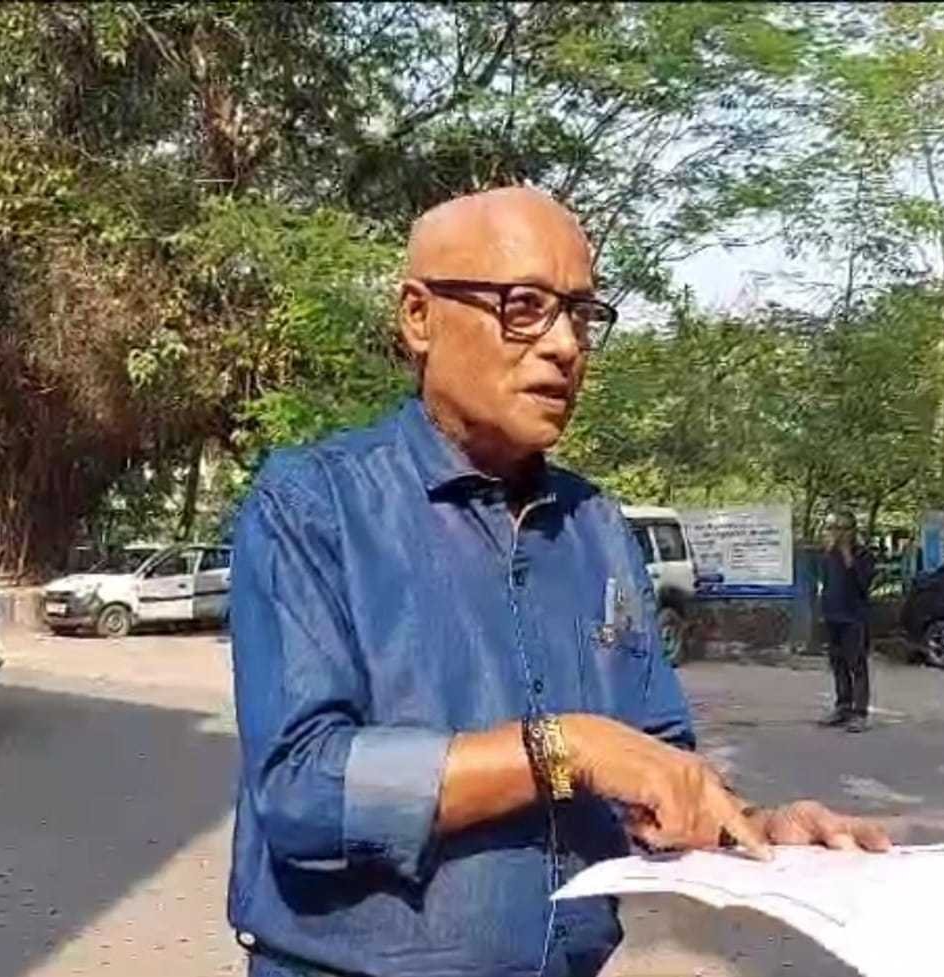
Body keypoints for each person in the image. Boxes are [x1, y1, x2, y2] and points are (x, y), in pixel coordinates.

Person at [226, 186, 890, 977]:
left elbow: (650, 758)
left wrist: (752, 826)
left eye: (580, 314)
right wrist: (560, 749)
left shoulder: (595, 527)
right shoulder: (315, 504)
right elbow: (303, 787)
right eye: (525, 307)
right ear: (419, 316)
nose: (566, 345)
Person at [818, 511, 876, 733]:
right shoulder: (828, 555)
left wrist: (848, 558)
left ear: (852, 531)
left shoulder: (863, 555)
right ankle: (842, 707)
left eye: (841, 529)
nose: (836, 534)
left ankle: (860, 713)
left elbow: (864, 584)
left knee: (857, 665)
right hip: (833, 616)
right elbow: (826, 584)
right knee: (838, 664)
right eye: (832, 528)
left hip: (854, 618)